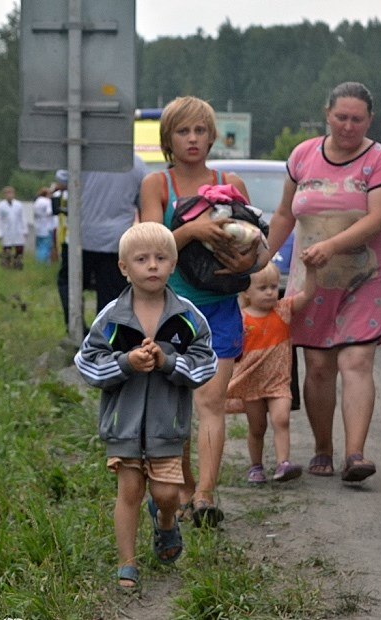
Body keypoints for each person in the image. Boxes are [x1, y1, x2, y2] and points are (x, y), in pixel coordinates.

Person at [256, 81, 381, 482]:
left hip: (363, 276)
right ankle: (323, 446)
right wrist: (260, 260)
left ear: (369, 120)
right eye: (341, 117)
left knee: (356, 360)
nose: (348, 126)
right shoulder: (303, 155)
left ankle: (355, 454)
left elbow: (377, 218)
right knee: (318, 366)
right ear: (327, 114)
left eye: (357, 119)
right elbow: (285, 215)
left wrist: (333, 245)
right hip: (313, 279)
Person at [140, 95, 266, 527]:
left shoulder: (230, 181)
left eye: (200, 131)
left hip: (221, 308)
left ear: (213, 137)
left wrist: (247, 263)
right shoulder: (158, 185)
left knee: (212, 402)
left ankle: (207, 496)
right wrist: (191, 228)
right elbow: (150, 249)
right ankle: (189, 487)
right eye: (183, 131)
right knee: (179, 406)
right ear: (168, 139)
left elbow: (257, 247)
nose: (193, 139)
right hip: (172, 311)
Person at [73, 222, 218, 589]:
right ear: (124, 267)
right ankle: (127, 563)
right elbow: (87, 362)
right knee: (130, 492)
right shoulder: (112, 318)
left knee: (166, 493)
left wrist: (169, 363)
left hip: (167, 427)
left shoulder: (187, 317)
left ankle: (165, 520)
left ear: (173, 264)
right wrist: (125, 363)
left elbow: (206, 363)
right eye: (141, 259)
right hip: (123, 424)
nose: (152, 265)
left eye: (160, 258)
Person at [225, 261, 317, 484]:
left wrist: (312, 271)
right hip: (252, 384)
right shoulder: (241, 318)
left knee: (281, 419)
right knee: (257, 428)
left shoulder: (283, 310)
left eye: (274, 287)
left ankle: (282, 463)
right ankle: (256, 466)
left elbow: (308, 295)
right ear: (246, 290)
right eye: (262, 288)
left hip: (278, 382)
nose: (269, 292)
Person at [55, 156, 148, 332]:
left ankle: (76, 331)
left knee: (69, 283)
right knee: (112, 295)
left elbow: (61, 181)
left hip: (80, 237)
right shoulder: (136, 164)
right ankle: (106, 339)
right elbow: (143, 204)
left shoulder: (80, 157)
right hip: (117, 242)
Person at [0, 186, 27, 269]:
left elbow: (22, 218)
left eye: (11, 193)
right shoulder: (1, 206)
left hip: (18, 230)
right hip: (6, 230)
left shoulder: (18, 205)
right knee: (7, 249)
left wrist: (25, 230)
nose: (9, 195)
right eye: (7, 193)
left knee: (19, 248)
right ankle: (6, 265)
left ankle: (18, 265)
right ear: (4, 195)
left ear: (14, 194)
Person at [32, 187, 56, 263]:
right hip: (47, 227)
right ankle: (43, 262)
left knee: (39, 246)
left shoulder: (37, 202)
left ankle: (38, 260)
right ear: (47, 194)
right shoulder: (47, 201)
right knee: (46, 246)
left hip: (38, 227)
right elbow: (49, 212)